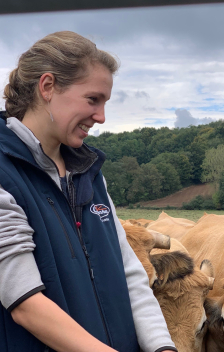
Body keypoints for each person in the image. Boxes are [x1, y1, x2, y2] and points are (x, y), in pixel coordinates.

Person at [0, 31, 177, 352]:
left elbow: (130, 276)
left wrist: (163, 347)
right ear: (48, 87)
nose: (101, 117)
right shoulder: (4, 170)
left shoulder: (90, 174)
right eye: (93, 99)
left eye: (105, 102)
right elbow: (24, 299)